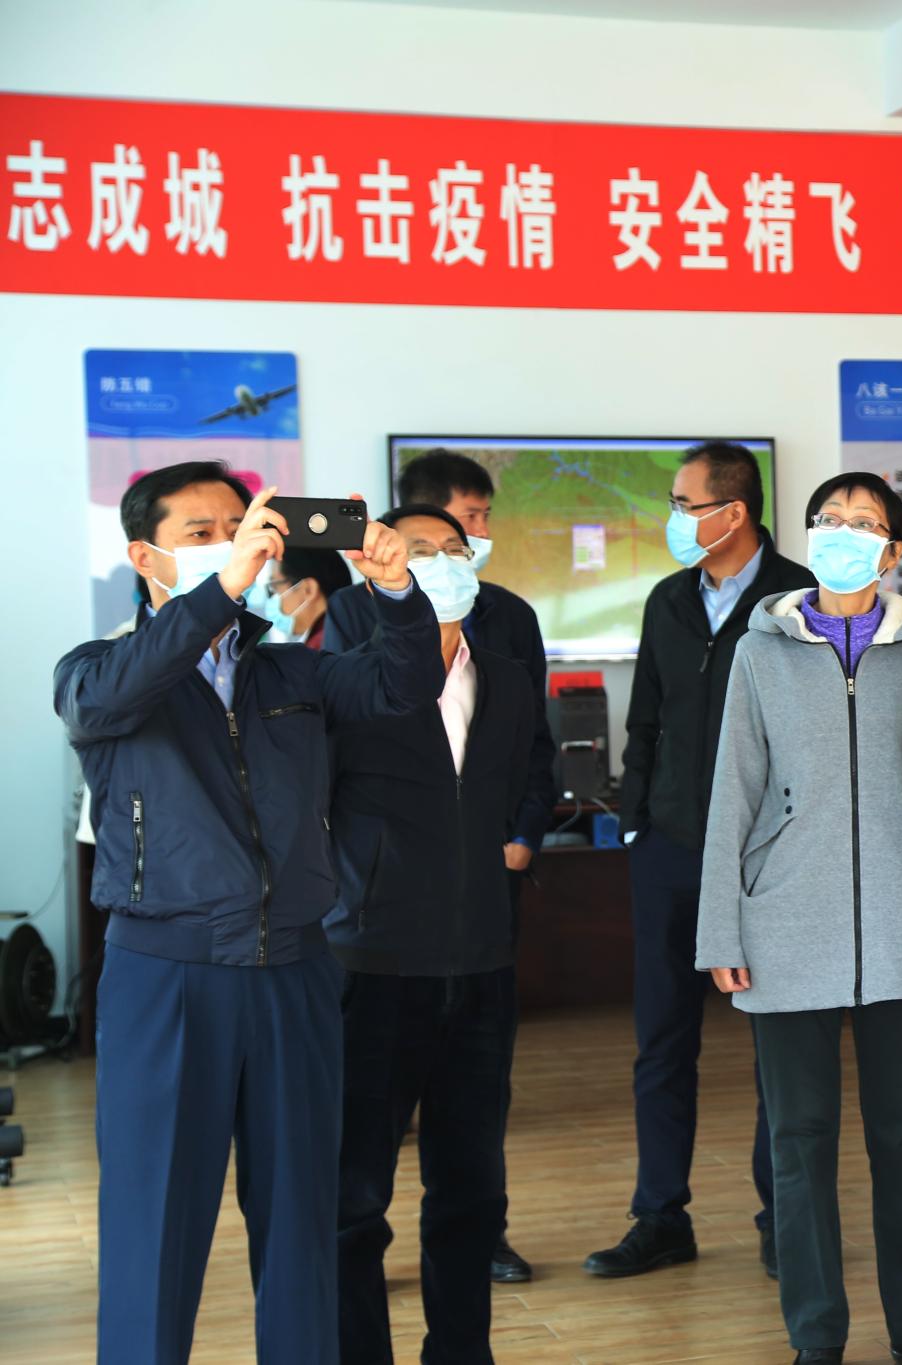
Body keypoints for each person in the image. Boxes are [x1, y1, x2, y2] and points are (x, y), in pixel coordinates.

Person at [55, 462, 439, 1365]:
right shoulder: (100, 671)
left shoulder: (293, 671)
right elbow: (108, 698)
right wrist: (221, 591)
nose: (233, 544)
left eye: (241, 526)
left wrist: (396, 593)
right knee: (154, 1223)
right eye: (202, 533)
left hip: (295, 973)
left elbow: (405, 684)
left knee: (303, 1221)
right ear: (144, 557)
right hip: (165, 976)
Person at [699, 472, 902, 1365]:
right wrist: (720, 929)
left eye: (864, 523)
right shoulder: (760, 651)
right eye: (830, 519)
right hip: (784, 921)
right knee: (799, 1139)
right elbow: (733, 791)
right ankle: (815, 1337)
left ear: (893, 549)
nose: (844, 533)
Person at [323, 449, 556, 1284]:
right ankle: (349, 1293)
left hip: (480, 940)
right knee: (359, 1164)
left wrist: (522, 833)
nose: (444, 563)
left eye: (457, 550)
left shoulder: (506, 661)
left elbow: (530, 760)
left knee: (470, 1166)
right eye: (420, 550)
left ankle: (473, 1279)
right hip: (377, 941)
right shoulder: (349, 644)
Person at [591, 441, 813, 1278]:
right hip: (672, 847)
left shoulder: (798, 596)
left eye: (686, 504)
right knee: (661, 1042)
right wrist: (637, 822)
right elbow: (643, 718)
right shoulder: (669, 598)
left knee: (776, 1047)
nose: (675, 519)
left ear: (734, 511)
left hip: (769, 856)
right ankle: (660, 1215)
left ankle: (781, 1218)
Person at [249, 546, 349, 649]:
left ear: (308, 590)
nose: (272, 597)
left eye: (274, 587)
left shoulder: (323, 648)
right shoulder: (343, 635)